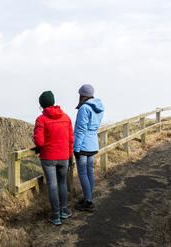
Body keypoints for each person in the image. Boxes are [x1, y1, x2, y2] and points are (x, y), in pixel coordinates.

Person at [33, 91, 74, 226]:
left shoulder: (41, 119)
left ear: (42, 105)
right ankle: (64, 210)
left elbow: (39, 142)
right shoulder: (66, 117)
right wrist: (69, 155)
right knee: (62, 183)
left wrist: (35, 137)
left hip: (49, 158)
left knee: (52, 185)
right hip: (64, 157)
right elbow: (70, 139)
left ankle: (56, 215)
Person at [73, 84, 104, 212]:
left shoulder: (84, 108)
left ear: (82, 95)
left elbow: (80, 130)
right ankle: (88, 197)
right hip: (93, 144)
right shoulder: (99, 108)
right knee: (90, 172)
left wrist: (76, 147)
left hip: (83, 145)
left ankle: (88, 201)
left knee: (83, 173)